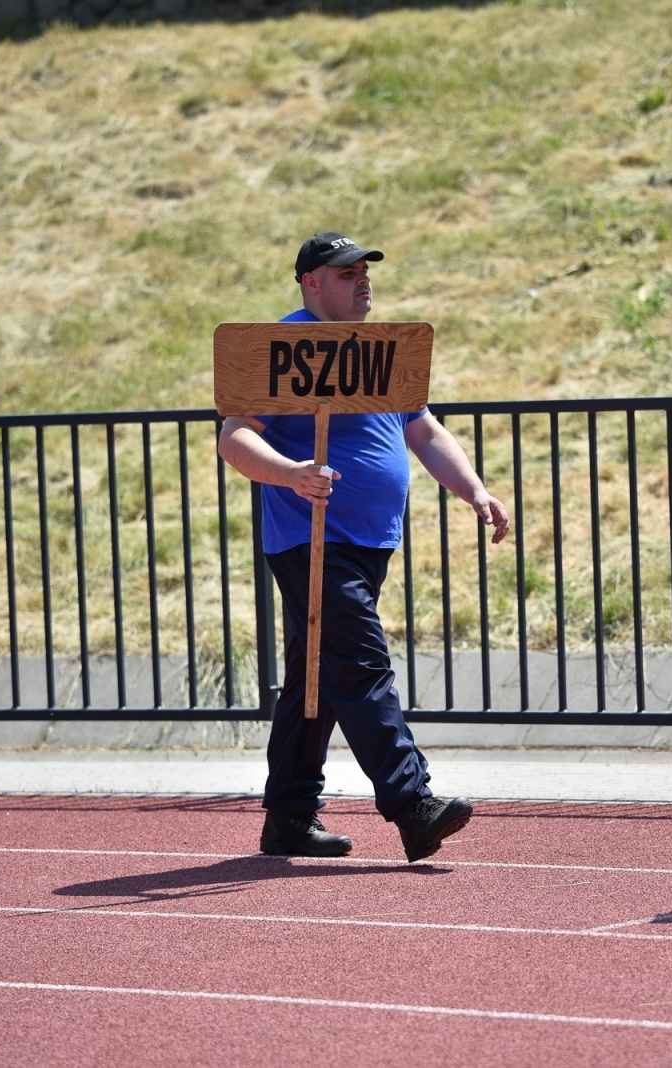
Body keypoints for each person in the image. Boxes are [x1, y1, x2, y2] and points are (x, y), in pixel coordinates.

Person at [218, 232, 511, 862]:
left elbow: (423, 429)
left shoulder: (382, 351)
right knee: (360, 659)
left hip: (368, 539)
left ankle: (289, 816)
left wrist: (475, 490)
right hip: (311, 536)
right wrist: (291, 473)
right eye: (346, 272)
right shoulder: (281, 347)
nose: (363, 280)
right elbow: (234, 436)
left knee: (314, 679)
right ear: (310, 282)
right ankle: (411, 802)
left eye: (365, 271)